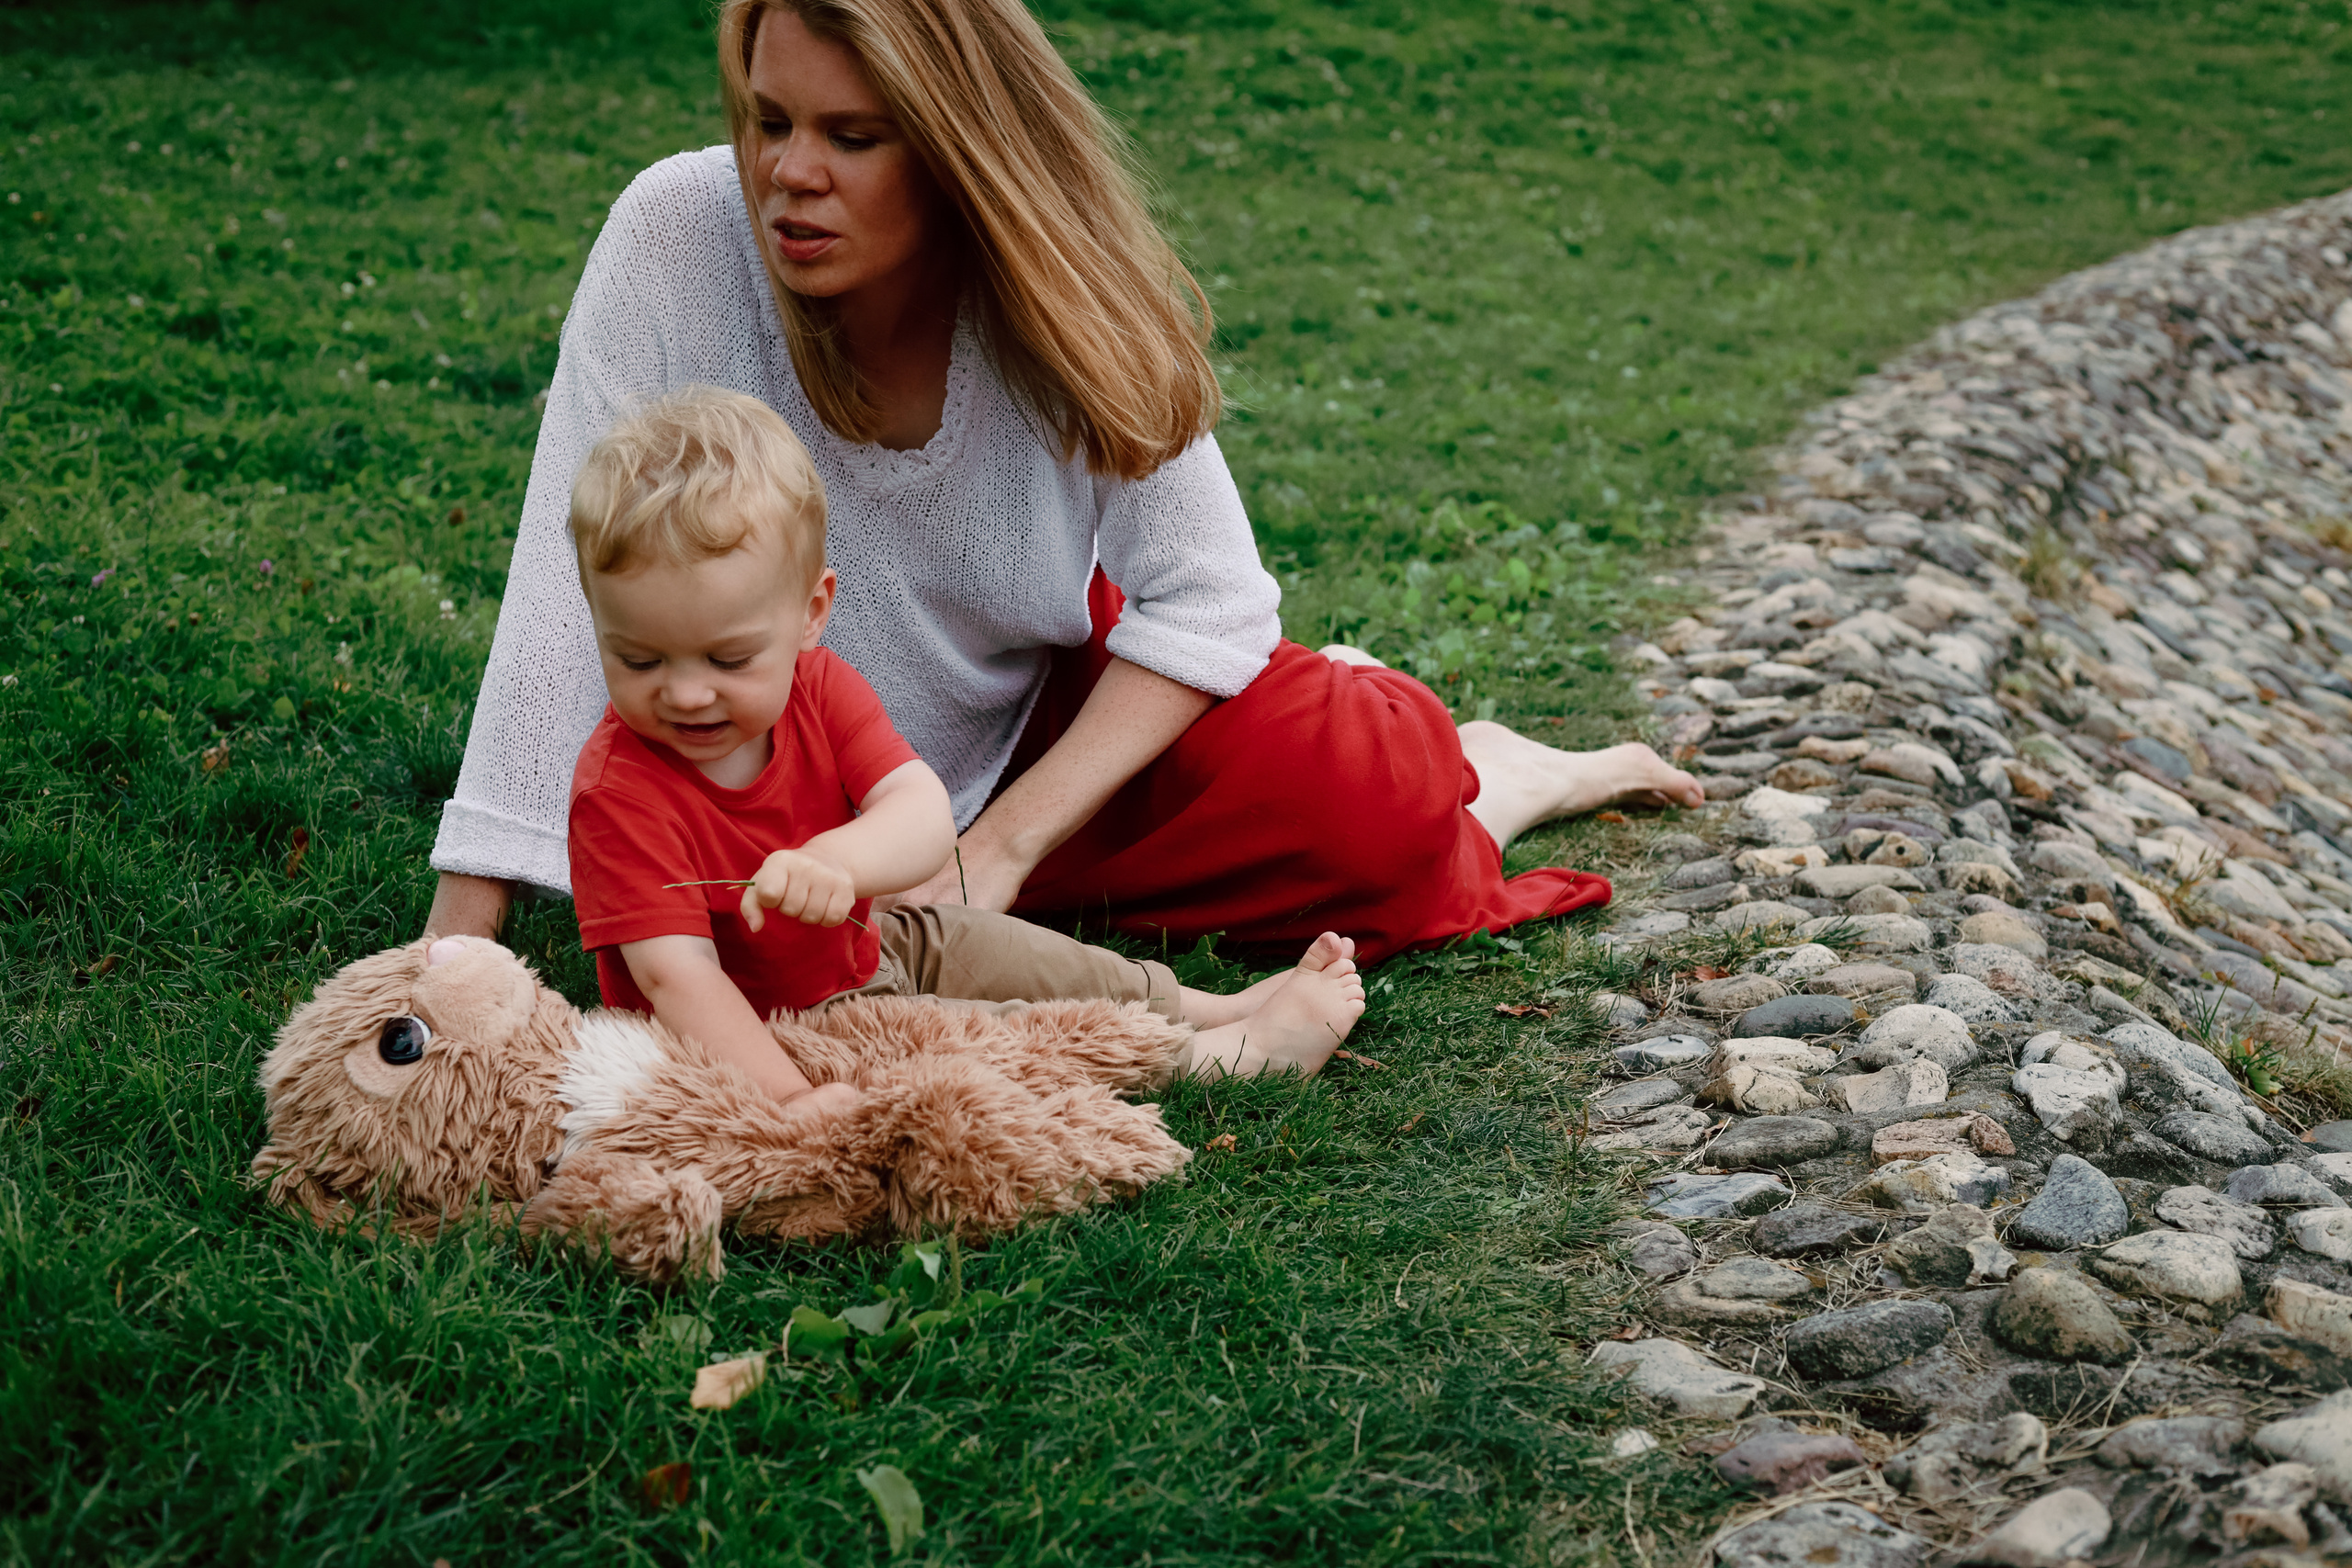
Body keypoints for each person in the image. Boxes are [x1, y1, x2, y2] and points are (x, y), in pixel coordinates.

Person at [424, 0, 1700, 963]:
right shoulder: (674, 232)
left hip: (1029, 728)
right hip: (770, 760)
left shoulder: (1060, 297)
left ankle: (1501, 767)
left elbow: (1207, 598)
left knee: (1370, 797)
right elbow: (559, 569)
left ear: (956, 149)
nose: (787, 174)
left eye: (851, 136)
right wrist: (463, 934)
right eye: (768, 121)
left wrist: (995, 852)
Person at [565, 385, 1366, 1110]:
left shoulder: (818, 686)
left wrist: (842, 863)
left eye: (729, 659)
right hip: (786, 1025)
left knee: (1036, 958)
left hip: (870, 939)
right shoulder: (619, 793)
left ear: (811, 614)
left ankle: (1207, 1005)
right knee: (991, 1037)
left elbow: (919, 813)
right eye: (638, 660)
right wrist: (789, 1096)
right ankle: (1224, 1055)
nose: (686, 692)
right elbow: (680, 980)